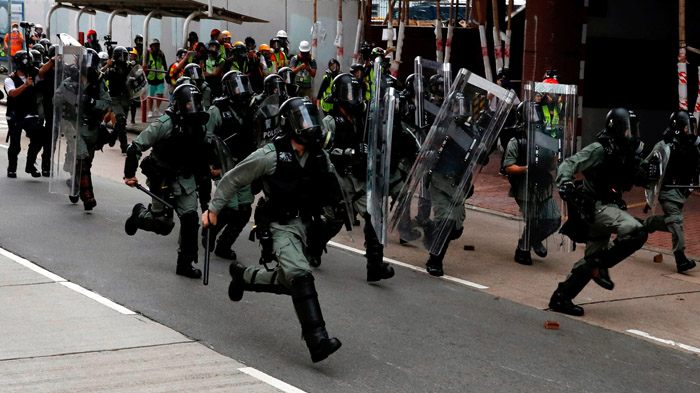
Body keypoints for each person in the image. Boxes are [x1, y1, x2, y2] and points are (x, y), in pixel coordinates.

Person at [201, 97, 342, 363]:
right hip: (279, 224)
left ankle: (244, 278)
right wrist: (213, 210)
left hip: (306, 225)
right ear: (289, 125)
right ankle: (317, 341)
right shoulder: (270, 154)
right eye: (302, 120)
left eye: (311, 118)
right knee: (300, 274)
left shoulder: (319, 155)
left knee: (290, 280)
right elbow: (233, 179)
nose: (309, 126)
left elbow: (333, 185)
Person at [549, 108, 657, 316]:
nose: (633, 134)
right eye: (629, 129)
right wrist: (565, 182)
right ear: (618, 128)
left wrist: (652, 172)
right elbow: (570, 163)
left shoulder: (627, 154)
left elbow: (640, 175)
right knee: (637, 231)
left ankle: (561, 296)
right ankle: (600, 265)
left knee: (591, 260)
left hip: (611, 208)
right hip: (596, 208)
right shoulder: (600, 150)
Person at [123, 84, 212, 279]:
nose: (193, 107)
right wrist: (129, 174)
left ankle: (185, 263)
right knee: (163, 225)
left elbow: (202, 163)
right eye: (189, 103)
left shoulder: (200, 127)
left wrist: (206, 201)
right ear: (180, 104)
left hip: (185, 179)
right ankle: (139, 215)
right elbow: (136, 147)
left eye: (196, 103)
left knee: (190, 219)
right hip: (161, 177)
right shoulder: (165, 124)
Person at [315, 73, 395, 281]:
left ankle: (375, 266)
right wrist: (349, 153)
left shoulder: (364, 120)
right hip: (339, 183)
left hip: (359, 181)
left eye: (355, 93)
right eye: (348, 93)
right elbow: (321, 153)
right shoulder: (330, 122)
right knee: (334, 222)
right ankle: (313, 247)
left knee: (374, 216)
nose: (352, 98)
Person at [203, 71, 256, 260]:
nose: (241, 91)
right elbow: (206, 138)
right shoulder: (217, 110)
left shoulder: (250, 108)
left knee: (244, 209)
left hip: (245, 164)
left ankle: (224, 245)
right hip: (224, 164)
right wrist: (213, 164)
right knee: (230, 207)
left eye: (243, 86)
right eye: (236, 86)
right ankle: (209, 232)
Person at [503, 102, 561, 265]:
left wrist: (554, 157)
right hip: (525, 189)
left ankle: (533, 240)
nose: (534, 118)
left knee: (553, 219)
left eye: (536, 114)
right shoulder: (517, 141)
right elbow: (508, 167)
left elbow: (553, 163)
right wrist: (527, 168)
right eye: (530, 114)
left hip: (543, 187)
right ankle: (523, 249)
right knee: (534, 220)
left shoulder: (545, 139)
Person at [644, 110, 699, 273]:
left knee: (672, 222)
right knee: (676, 220)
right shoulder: (664, 145)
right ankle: (680, 259)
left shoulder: (691, 146)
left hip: (681, 192)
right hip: (667, 191)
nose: (691, 131)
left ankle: (647, 225)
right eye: (688, 127)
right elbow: (646, 165)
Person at [59, 49, 112, 210]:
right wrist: (71, 98)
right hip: (73, 127)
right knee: (81, 159)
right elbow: (56, 100)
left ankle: (75, 186)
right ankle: (88, 196)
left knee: (86, 163)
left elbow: (106, 103)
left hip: (91, 129)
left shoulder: (99, 83)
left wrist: (91, 102)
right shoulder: (70, 82)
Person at [5, 50, 42, 178]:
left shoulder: (33, 75)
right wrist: (25, 85)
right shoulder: (10, 79)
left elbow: (42, 73)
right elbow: (13, 93)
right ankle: (12, 168)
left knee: (38, 138)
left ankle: (30, 164)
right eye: (26, 61)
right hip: (15, 114)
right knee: (15, 144)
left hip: (30, 114)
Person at [106, 46, 137, 153]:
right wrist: (108, 65)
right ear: (118, 57)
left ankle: (112, 137)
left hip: (126, 97)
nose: (125, 58)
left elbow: (134, 77)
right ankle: (124, 146)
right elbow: (109, 78)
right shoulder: (112, 68)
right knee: (120, 118)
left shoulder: (128, 67)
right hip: (115, 97)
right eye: (123, 55)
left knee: (121, 122)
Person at [37, 46, 57, 177]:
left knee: (54, 138)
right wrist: (52, 61)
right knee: (48, 137)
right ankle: (45, 164)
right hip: (48, 107)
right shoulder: (47, 69)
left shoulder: (63, 71)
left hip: (61, 107)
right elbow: (40, 72)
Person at [146, 39, 167, 118]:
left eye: (157, 45)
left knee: (160, 94)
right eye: (154, 45)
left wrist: (166, 72)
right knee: (150, 96)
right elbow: (143, 63)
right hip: (150, 78)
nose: (156, 47)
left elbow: (164, 64)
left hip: (159, 77)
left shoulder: (161, 54)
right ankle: (150, 111)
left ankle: (157, 109)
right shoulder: (148, 53)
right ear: (151, 46)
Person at [127, 47, 141, 124]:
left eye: (133, 56)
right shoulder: (126, 64)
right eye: (131, 55)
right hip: (126, 87)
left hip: (134, 87)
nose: (132, 57)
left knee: (134, 104)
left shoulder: (137, 66)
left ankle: (133, 119)